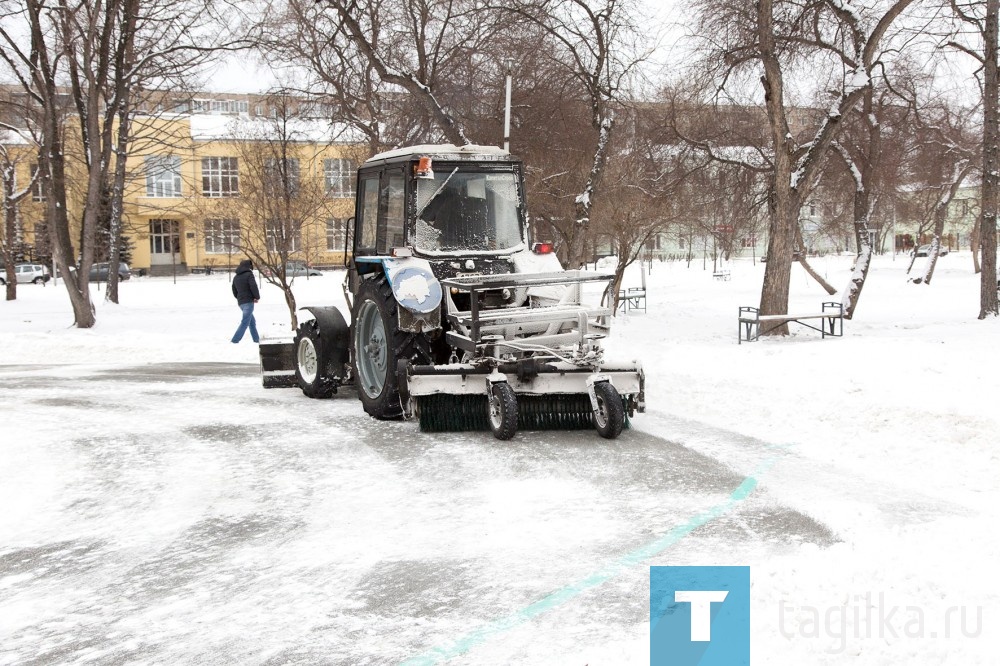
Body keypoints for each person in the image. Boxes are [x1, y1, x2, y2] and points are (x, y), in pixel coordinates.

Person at [231, 258, 260, 343]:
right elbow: (253, 286)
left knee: (251, 321)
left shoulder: (236, 277)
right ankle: (235, 340)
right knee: (245, 322)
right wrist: (256, 297)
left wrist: (239, 298)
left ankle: (256, 339)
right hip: (248, 302)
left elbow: (234, 290)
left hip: (241, 303)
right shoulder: (249, 275)